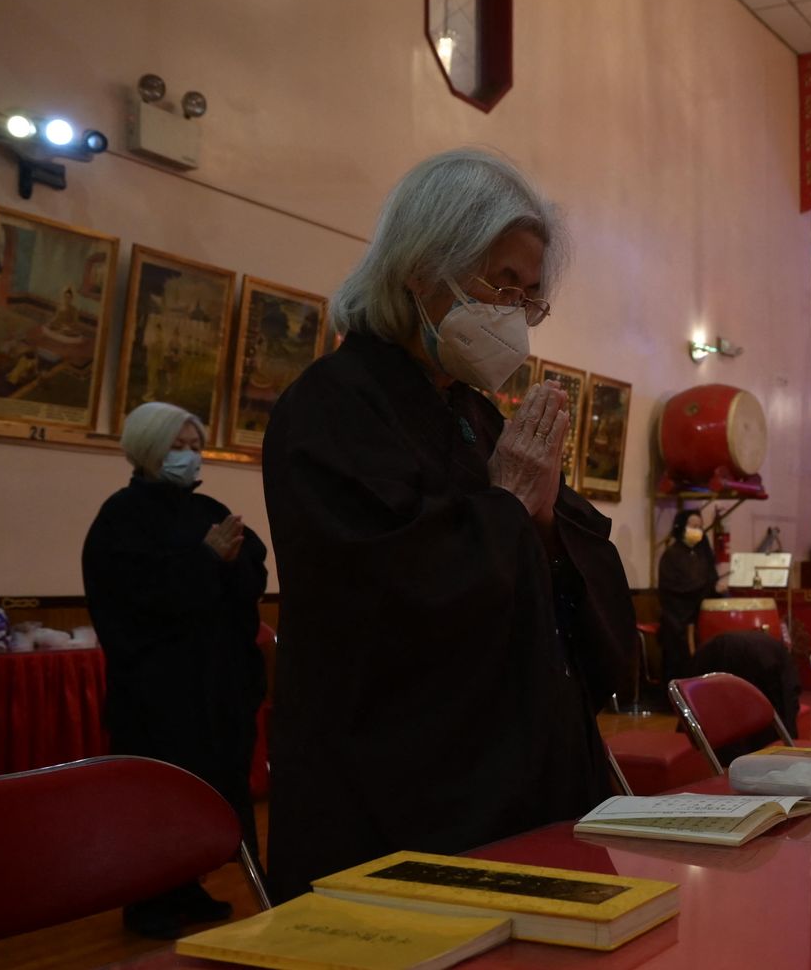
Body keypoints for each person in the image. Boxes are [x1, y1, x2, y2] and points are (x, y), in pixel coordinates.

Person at [261, 149, 635, 899]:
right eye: (502, 283)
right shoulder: (331, 408)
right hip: (403, 803)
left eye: (530, 296)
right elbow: (385, 592)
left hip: (525, 777)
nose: (515, 314)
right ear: (422, 267)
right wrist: (506, 509)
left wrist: (548, 523)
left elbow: (559, 553)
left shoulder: (472, 412)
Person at [82, 402, 268, 939]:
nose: (190, 456)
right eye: (177, 447)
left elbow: (249, 571)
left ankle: (190, 884)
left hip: (215, 687)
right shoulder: (122, 517)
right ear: (146, 449)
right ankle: (148, 901)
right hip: (158, 693)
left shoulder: (206, 506)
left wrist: (232, 562)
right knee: (158, 798)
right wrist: (206, 560)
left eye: (194, 446)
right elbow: (140, 598)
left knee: (210, 791)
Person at [656, 509, 723, 681]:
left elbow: (710, 578)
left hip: (701, 614)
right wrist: (701, 587)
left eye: (700, 527)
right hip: (678, 616)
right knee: (679, 658)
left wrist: (715, 588)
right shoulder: (672, 554)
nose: (697, 530)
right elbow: (672, 587)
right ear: (682, 527)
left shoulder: (703, 553)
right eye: (693, 526)